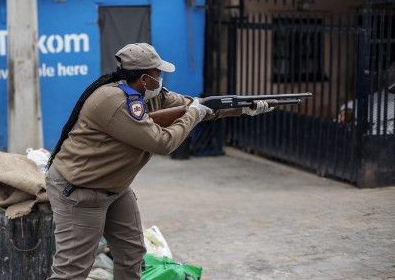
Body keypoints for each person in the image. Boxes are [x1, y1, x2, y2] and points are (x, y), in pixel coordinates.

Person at [45, 43, 273, 279]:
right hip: (81, 191)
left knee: (132, 255)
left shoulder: (149, 95)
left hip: (115, 188)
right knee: (71, 271)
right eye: (158, 73)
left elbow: (197, 106)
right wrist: (194, 114)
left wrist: (243, 108)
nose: (161, 78)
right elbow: (163, 142)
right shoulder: (116, 101)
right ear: (145, 78)